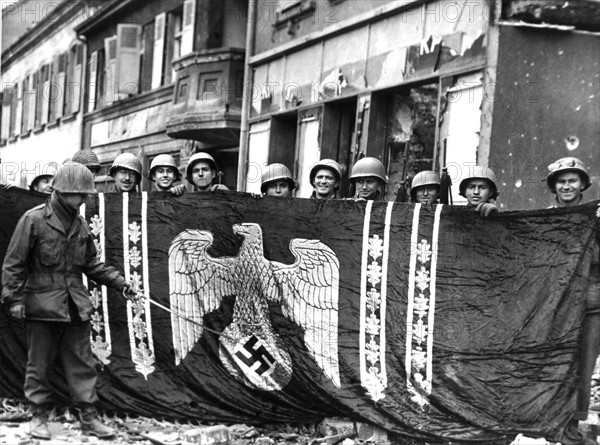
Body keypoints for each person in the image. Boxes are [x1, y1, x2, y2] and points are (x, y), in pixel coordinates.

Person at [1, 162, 137, 440]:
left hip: (75, 306)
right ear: (62, 191)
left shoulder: (80, 224)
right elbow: (14, 264)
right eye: (80, 194)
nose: (85, 198)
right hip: (42, 306)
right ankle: (38, 416)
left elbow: (92, 265)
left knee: (82, 365)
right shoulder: (34, 219)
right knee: (39, 364)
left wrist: (121, 283)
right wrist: (13, 299)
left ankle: (88, 418)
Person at [547, 157, 599, 445]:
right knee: (553, 363)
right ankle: (550, 422)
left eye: (572, 180)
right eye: (562, 181)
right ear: (554, 186)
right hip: (554, 304)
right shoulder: (543, 219)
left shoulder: (596, 218)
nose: (567, 186)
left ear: (583, 184)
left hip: (591, 304)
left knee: (584, 365)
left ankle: (573, 427)